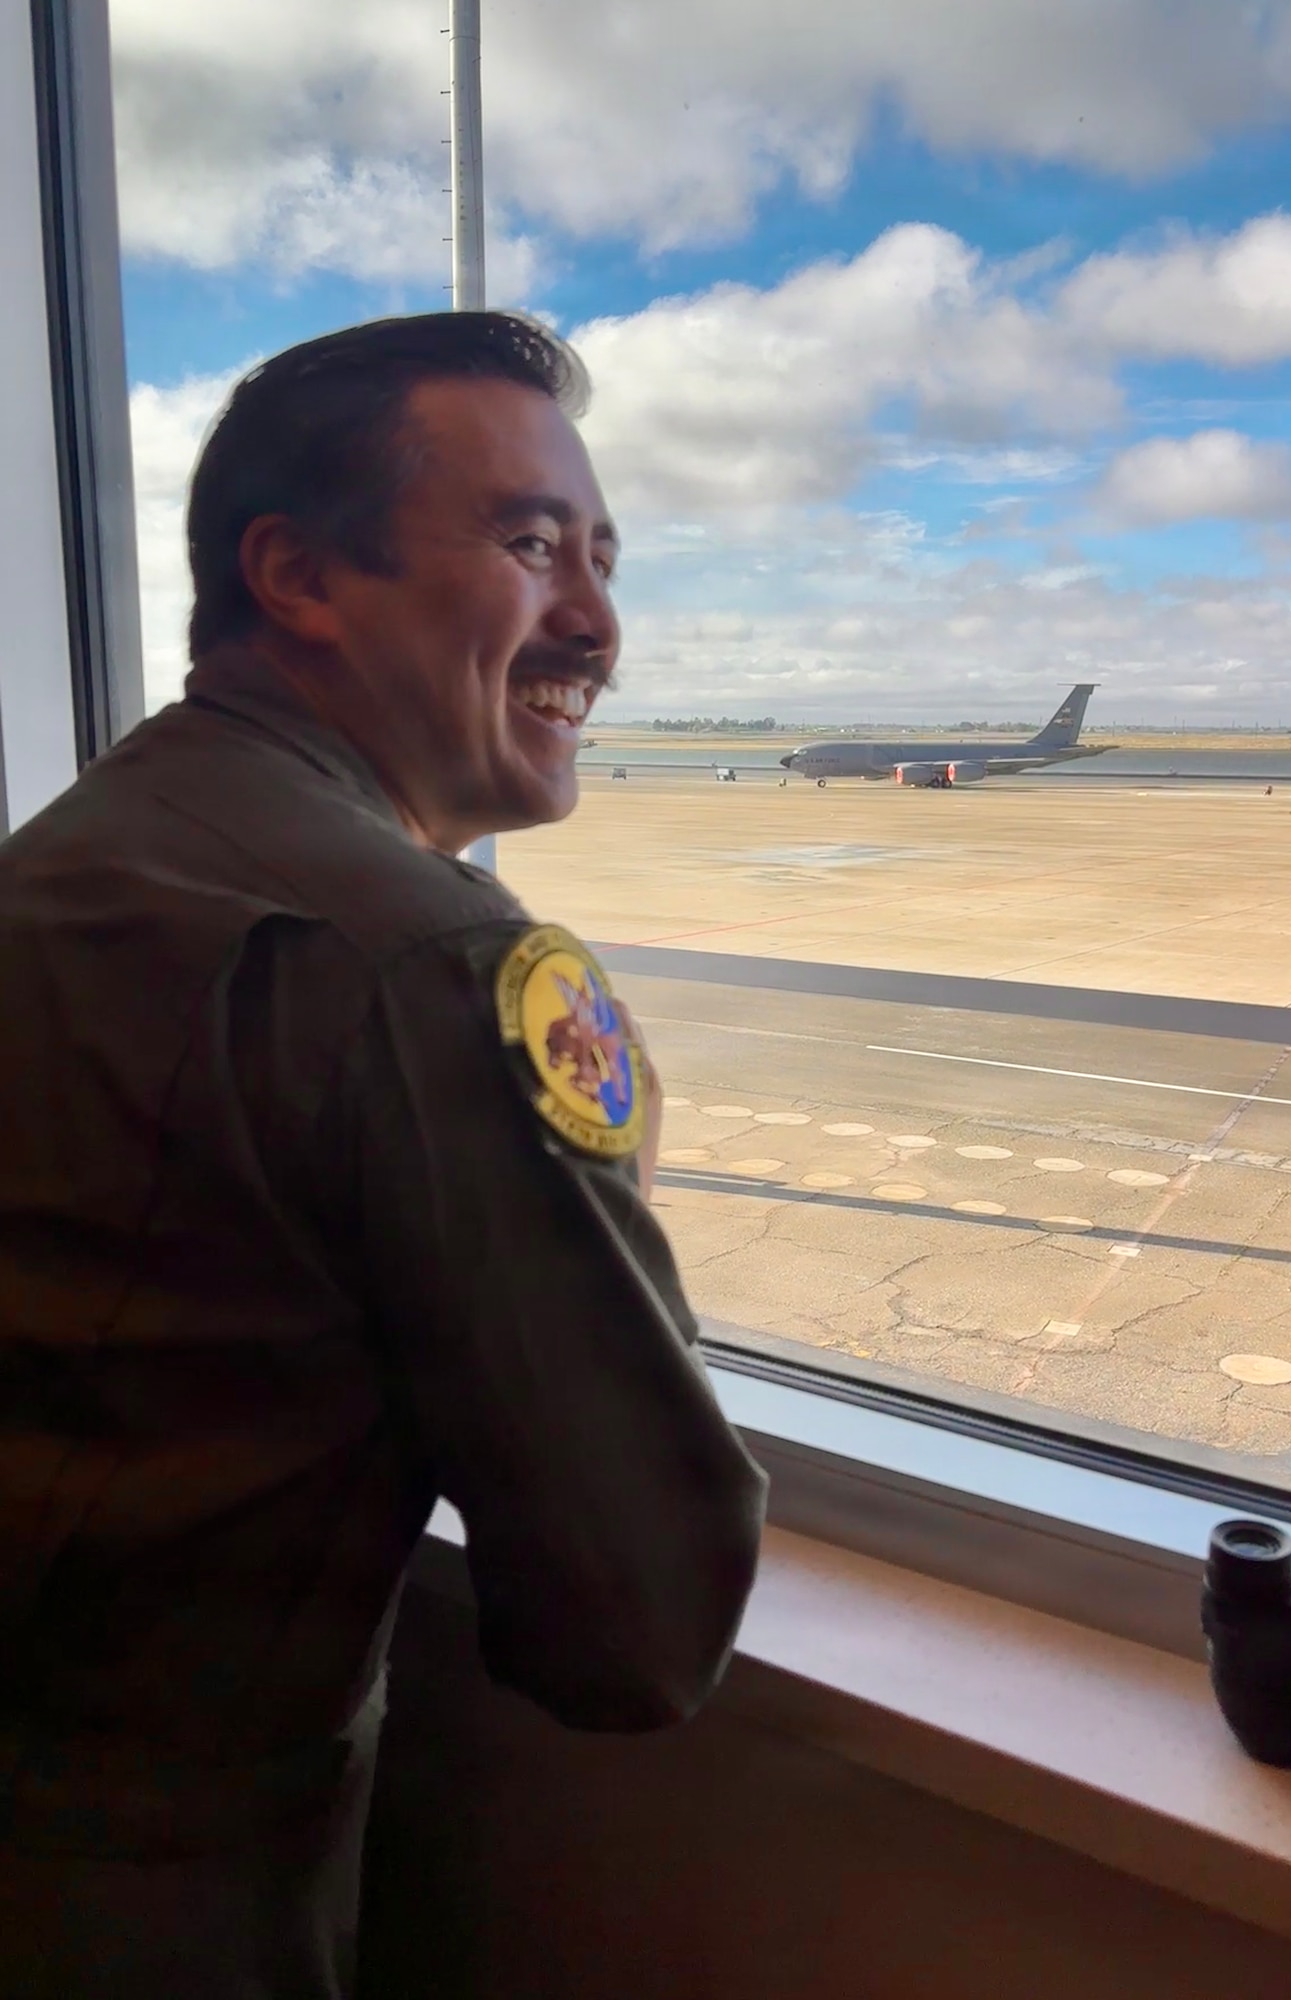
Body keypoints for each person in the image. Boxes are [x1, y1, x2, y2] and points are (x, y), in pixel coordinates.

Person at [0, 312, 768, 1997]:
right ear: (297, 576)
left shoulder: (71, 855)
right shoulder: (433, 966)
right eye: (530, 545)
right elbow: (637, 1626)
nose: (598, 621)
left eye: (605, 557)